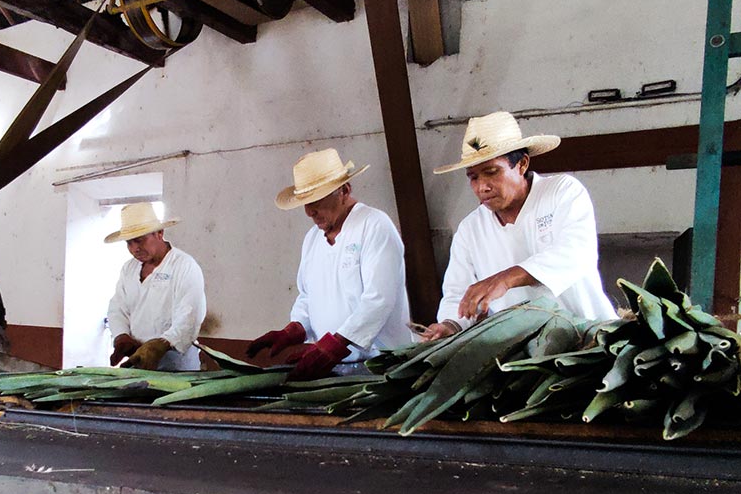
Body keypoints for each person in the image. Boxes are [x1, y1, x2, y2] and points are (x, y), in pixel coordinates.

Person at [423, 111, 617, 341]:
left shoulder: (561, 192)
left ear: (522, 164)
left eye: (492, 172)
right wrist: (450, 324)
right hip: (527, 354)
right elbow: (458, 294)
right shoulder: (470, 229)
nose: (482, 186)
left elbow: (575, 253)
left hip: (593, 338)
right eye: (473, 177)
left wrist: (506, 279)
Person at [246, 148, 413, 380]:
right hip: (332, 367)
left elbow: (378, 300)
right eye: (305, 202)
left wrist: (335, 345)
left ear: (344, 191)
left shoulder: (374, 225)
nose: (309, 211)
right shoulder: (312, 239)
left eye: (317, 200)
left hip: (380, 366)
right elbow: (308, 296)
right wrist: (295, 329)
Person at [105, 202, 206, 370]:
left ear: (160, 233)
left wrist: (162, 344)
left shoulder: (184, 266)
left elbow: (190, 316)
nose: (134, 249)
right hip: (137, 362)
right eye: (129, 243)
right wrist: (121, 337)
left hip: (176, 366)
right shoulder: (129, 269)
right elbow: (118, 308)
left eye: (140, 240)